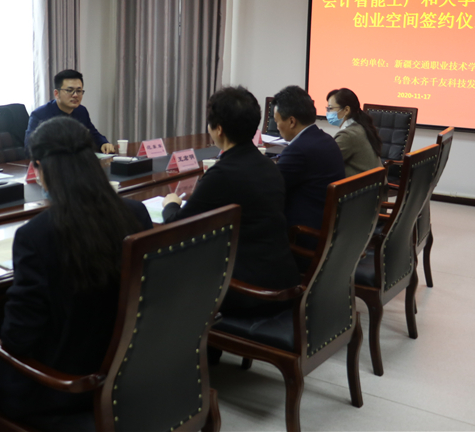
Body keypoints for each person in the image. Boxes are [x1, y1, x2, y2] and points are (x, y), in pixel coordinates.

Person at [0, 117, 153, 430]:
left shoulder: (35, 236)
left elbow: (18, 339)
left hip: (64, 389)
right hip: (128, 372)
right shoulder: (135, 213)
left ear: (40, 168)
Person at [161, 86, 299, 316]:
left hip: (251, 292)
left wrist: (171, 204)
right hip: (283, 280)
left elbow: (175, 228)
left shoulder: (222, 174)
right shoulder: (269, 166)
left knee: (167, 273)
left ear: (218, 129)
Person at [273, 85, 345, 234]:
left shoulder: (298, 150)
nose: (277, 127)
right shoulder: (326, 139)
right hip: (327, 226)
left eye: (277, 121)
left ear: (291, 122)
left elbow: (270, 188)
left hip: (303, 233)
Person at [24, 69, 115, 154]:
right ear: (56, 94)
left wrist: (103, 143)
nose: (75, 95)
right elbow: (30, 147)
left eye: (79, 91)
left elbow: (93, 134)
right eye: (69, 90)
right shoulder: (40, 114)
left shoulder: (81, 111)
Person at [326, 88, 383, 177]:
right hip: (374, 183)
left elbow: (326, 162)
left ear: (346, 110)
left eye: (330, 108)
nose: (328, 112)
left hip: (364, 185)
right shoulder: (360, 126)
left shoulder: (348, 135)